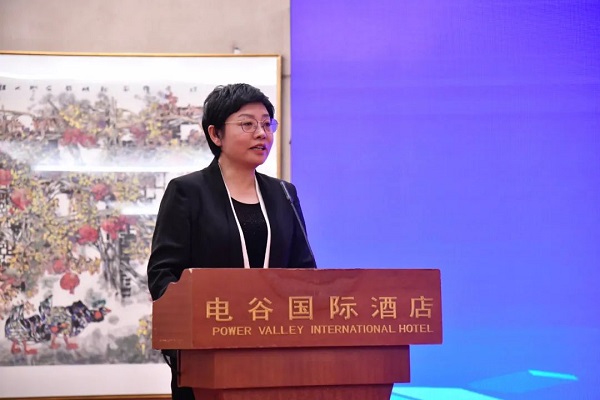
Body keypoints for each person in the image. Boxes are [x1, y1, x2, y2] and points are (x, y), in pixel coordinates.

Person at [147, 83, 317, 400]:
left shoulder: (284, 194)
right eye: (247, 124)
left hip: (277, 350)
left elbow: (304, 270)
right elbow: (162, 274)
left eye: (267, 124)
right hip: (208, 355)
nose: (262, 133)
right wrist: (198, 324)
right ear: (216, 134)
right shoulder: (187, 192)